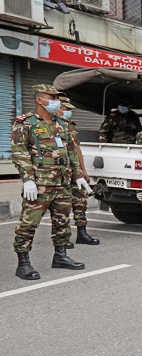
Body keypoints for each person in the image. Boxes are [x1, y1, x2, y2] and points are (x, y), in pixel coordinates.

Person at [11, 84, 93, 280]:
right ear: (40, 100)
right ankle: (23, 263)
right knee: (28, 224)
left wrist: (78, 175)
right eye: (52, 98)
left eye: (57, 98)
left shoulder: (63, 123)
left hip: (62, 183)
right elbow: (19, 152)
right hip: (39, 185)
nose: (56, 102)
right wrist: (28, 179)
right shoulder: (26, 123)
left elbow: (70, 152)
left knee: (62, 222)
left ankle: (61, 256)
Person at [56, 97, 100, 248]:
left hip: (74, 169)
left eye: (69, 110)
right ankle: (63, 238)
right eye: (66, 109)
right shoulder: (50, 125)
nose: (68, 112)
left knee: (80, 201)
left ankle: (82, 233)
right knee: (62, 206)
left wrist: (83, 170)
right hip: (58, 171)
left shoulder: (70, 126)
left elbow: (77, 149)